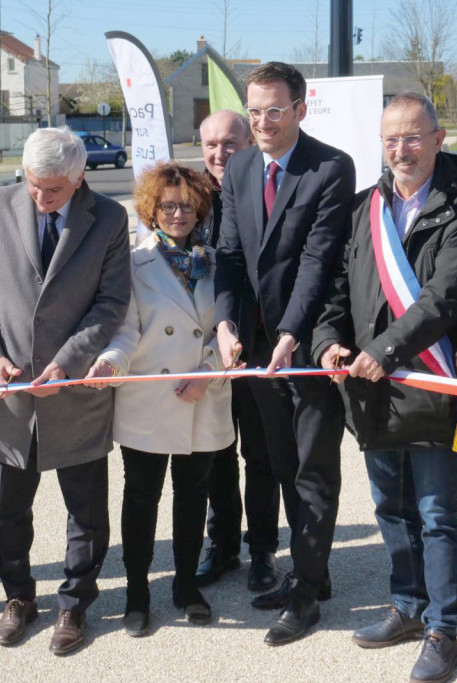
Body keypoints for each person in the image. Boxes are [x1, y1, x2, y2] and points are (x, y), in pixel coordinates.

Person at [312, 92, 457, 683]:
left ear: (439, 140)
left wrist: (383, 351)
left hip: (429, 381)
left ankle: (444, 629)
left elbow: (447, 298)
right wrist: (326, 343)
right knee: (391, 506)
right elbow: (336, 288)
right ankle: (408, 606)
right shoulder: (366, 207)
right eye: (391, 139)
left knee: (438, 513)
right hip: (370, 388)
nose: (402, 149)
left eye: (413, 137)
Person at [0, 126, 130, 655]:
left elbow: (111, 302)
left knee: (86, 511)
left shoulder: (110, 218)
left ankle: (74, 603)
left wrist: (69, 362)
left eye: (53, 189)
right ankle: (18, 597)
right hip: (7, 394)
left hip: (73, 391)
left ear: (79, 178)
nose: (40, 197)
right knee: (9, 511)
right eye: (33, 184)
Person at [214, 61, 356, 645]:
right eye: (255, 111)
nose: (264, 121)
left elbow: (319, 262)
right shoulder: (241, 167)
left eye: (275, 109)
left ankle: (305, 598)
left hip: (311, 342)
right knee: (279, 464)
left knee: (313, 472)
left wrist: (293, 335)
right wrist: (224, 322)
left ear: (300, 108)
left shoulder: (329, 167)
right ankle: (309, 573)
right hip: (255, 347)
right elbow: (228, 254)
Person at [87, 163, 233, 636]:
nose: (177, 214)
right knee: (141, 498)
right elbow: (125, 332)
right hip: (149, 396)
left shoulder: (219, 262)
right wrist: (111, 362)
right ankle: (136, 593)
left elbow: (227, 332)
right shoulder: (132, 263)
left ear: (200, 210)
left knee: (193, 497)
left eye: (187, 206)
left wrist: (207, 372)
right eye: (168, 206)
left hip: (202, 396)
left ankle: (187, 586)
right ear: (151, 210)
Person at [195, 110, 279, 593]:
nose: (220, 153)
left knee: (261, 453)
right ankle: (221, 544)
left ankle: (263, 549)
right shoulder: (187, 197)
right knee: (214, 451)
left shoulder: (267, 188)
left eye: (230, 143)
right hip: (200, 347)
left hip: (255, 344)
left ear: (250, 142)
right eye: (210, 144)